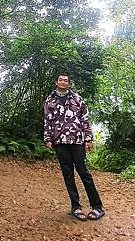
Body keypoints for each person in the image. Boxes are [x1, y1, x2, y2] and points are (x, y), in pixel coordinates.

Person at [43, 73, 105, 221]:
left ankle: (97, 207)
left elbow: (85, 119)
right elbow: (47, 120)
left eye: (66, 80)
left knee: (84, 172)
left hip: (77, 140)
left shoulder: (77, 99)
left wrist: (89, 138)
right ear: (56, 82)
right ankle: (76, 207)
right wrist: (47, 138)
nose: (63, 82)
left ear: (69, 83)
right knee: (68, 174)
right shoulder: (49, 100)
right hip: (60, 141)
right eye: (61, 80)